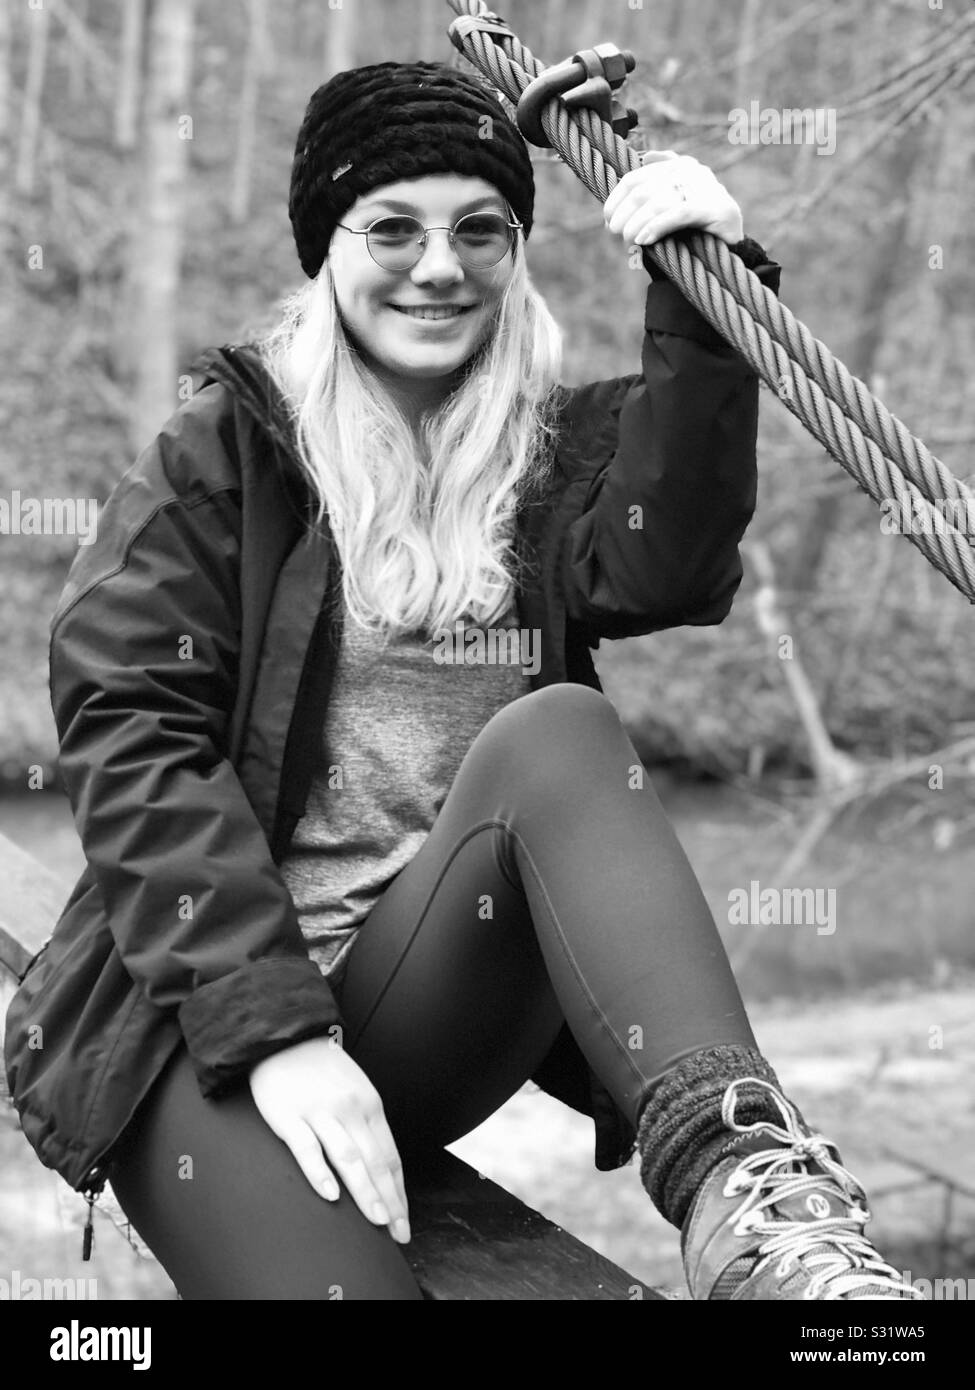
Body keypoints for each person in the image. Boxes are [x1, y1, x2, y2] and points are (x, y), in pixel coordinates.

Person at [4, 61, 922, 1302]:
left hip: (417, 993)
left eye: (479, 229)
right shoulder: (225, 455)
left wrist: (703, 302)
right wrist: (276, 1032)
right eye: (393, 226)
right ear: (325, 248)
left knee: (560, 735)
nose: (440, 264)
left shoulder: (540, 456)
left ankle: (755, 1200)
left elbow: (666, 560)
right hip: (206, 1027)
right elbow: (132, 738)